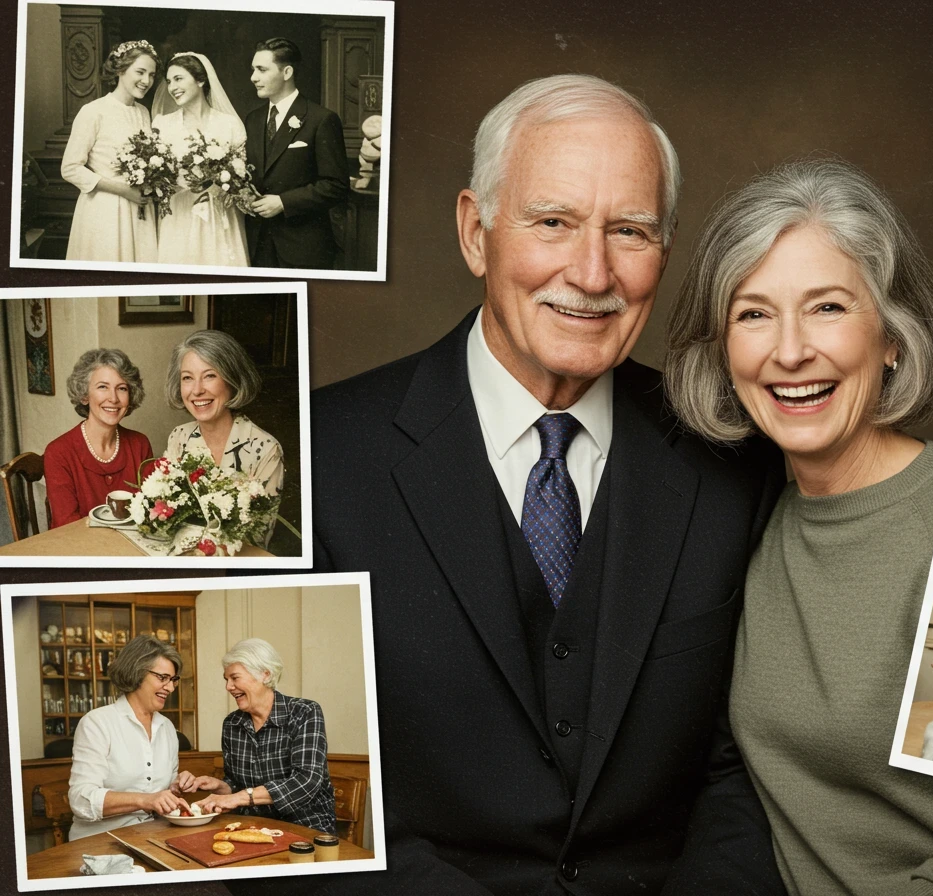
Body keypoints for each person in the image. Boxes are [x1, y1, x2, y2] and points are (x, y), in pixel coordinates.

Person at [297, 74, 787, 895]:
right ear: (475, 231)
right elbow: (289, 798)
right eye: (553, 222)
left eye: (629, 230)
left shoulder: (734, 459)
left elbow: (755, 772)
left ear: (663, 252)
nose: (592, 272)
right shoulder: (317, 458)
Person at [665, 158, 933, 896]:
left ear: (893, 335)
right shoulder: (750, 513)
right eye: (754, 313)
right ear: (725, 351)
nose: (790, 352)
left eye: (827, 307)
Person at [175, 638, 336, 833]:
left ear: (265, 675)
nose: (228, 687)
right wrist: (217, 785)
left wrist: (237, 798)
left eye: (235, 678)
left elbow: (306, 780)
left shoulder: (304, 712)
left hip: (305, 826)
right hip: (253, 827)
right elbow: (236, 784)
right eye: (226, 680)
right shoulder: (232, 724)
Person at [67, 635, 189, 839]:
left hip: (153, 836)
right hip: (100, 840)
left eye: (173, 680)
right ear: (137, 672)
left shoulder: (167, 728)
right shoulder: (97, 723)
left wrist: (175, 786)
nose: (170, 688)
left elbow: (161, 793)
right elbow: (81, 800)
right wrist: (145, 800)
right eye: (162, 678)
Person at [244, 38, 348, 269]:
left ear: (287, 71)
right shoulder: (253, 120)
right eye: (253, 70)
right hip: (258, 245)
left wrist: (283, 202)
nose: (253, 77)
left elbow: (336, 186)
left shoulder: (321, 119)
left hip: (304, 248)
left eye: (261, 69)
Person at [61, 40, 161, 262]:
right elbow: (70, 168)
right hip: (105, 208)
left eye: (152, 75)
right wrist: (123, 190)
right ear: (121, 69)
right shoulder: (93, 111)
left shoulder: (143, 112)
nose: (147, 81)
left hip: (139, 209)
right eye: (140, 72)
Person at [152, 52, 250, 266]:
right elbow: (156, 181)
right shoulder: (162, 124)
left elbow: (242, 179)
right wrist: (177, 182)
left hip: (220, 217)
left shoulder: (230, 124)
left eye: (179, 79)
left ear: (201, 80)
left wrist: (220, 182)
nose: (172, 87)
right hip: (178, 216)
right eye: (169, 81)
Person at [163, 330, 283, 498]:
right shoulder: (179, 437)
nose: (197, 390)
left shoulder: (265, 449)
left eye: (209, 376)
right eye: (187, 378)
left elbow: (262, 523)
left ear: (232, 380)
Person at [44, 349, 152, 527]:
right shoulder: (58, 453)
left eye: (122, 388)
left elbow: (152, 512)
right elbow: (67, 525)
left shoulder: (139, 444)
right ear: (84, 395)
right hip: (79, 550)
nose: (113, 398)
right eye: (103, 387)